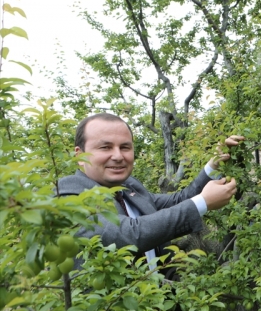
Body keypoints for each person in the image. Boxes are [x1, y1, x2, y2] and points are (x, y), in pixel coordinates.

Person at [58, 113, 242, 270]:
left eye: (125, 147)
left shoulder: (128, 187)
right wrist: (202, 203)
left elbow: (181, 199)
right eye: (105, 147)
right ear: (80, 155)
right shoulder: (69, 194)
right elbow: (128, 234)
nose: (118, 156)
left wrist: (214, 164)